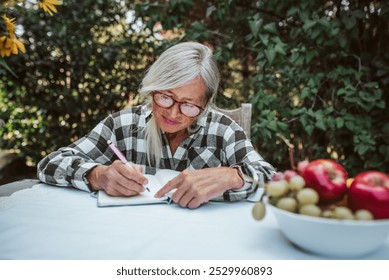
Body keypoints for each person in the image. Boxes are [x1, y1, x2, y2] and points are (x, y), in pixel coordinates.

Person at [37, 42, 275, 209]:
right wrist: (97, 175)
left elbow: (272, 180)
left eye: (189, 105)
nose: (173, 113)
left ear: (205, 103)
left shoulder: (222, 130)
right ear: (152, 89)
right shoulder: (124, 125)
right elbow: (49, 164)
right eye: (165, 97)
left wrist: (232, 177)